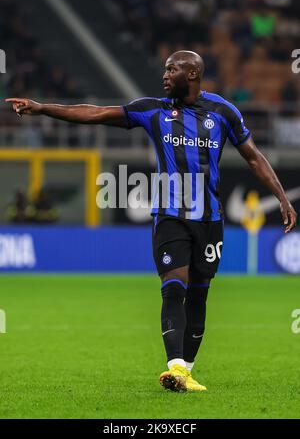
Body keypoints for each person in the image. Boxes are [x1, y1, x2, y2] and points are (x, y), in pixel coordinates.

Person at [6, 50, 297, 393]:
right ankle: (174, 366)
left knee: (200, 295)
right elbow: (96, 113)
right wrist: (43, 108)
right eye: (164, 69)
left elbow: (254, 157)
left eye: (172, 69)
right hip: (170, 216)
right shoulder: (152, 110)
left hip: (209, 219)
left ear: (192, 74)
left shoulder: (222, 112)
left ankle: (184, 371)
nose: (165, 75)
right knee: (174, 287)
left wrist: (281, 196)